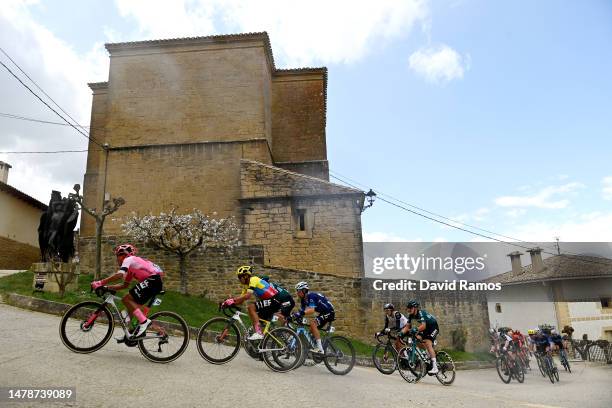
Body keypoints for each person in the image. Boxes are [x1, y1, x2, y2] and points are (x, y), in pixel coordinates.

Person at [90, 244, 164, 339]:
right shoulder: (131, 269)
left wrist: (100, 282)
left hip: (153, 280)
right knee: (130, 307)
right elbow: (124, 285)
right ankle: (130, 334)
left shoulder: (129, 259)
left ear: (124, 255)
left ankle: (144, 322)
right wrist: (107, 287)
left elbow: (119, 275)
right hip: (153, 282)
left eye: (118, 256)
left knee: (126, 299)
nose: (117, 259)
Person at [221, 265, 284, 341]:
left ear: (246, 276)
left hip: (275, 299)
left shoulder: (253, 279)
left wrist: (233, 300)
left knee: (251, 307)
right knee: (257, 319)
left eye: (240, 277)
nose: (239, 279)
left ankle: (259, 333)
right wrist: (228, 303)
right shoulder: (246, 286)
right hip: (270, 301)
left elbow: (247, 296)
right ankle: (261, 343)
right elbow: (241, 300)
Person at [292, 281, 335, 354]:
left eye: (299, 291)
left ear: (304, 290)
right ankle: (317, 345)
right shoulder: (303, 300)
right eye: (297, 291)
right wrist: (295, 316)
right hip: (323, 312)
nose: (297, 293)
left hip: (329, 312)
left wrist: (301, 313)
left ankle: (320, 349)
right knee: (311, 329)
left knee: (313, 324)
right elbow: (303, 311)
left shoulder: (311, 296)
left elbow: (312, 310)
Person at [400, 300, 440, 374]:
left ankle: (435, 367)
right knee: (416, 338)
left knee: (428, 343)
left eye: (410, 308)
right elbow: (407, 326)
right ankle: (428, 354)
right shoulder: (411, 315)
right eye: (408, 308)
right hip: (426, 329)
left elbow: (423, 326)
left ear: (415, 308)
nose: (409, 310)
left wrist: (416, 329)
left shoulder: (421, 313)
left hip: (433, 327)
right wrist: (401, 333)